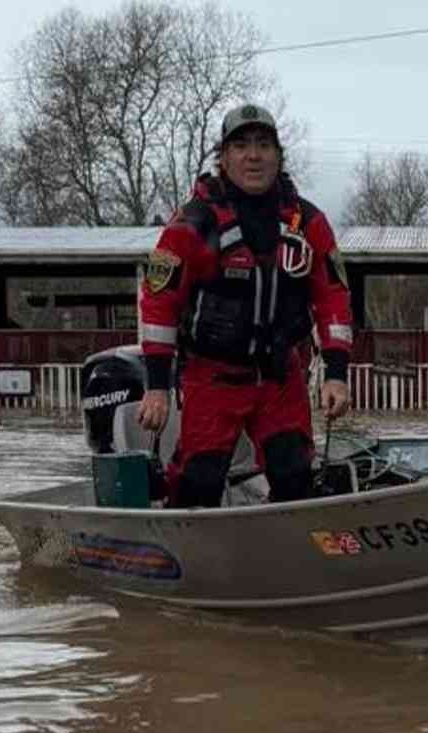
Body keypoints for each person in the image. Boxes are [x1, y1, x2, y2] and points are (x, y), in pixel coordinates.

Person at [136, 103, 354, 507]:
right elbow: (158, 303)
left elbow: (333, 297)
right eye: (241, 145)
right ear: (223, 158)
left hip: (281, 379)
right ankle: (186, 557)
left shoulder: (308, 223)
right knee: (197, 482)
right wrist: (157, 388)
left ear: (278, 155)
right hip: (212, 379)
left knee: (294, 475)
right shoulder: (192, 223)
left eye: (263, 144)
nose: (253, 155)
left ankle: (293, 559)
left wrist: (336, 374)